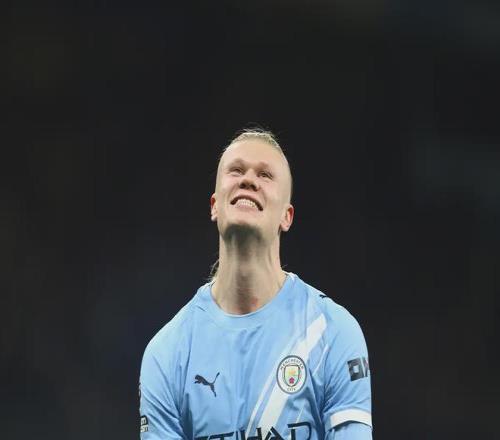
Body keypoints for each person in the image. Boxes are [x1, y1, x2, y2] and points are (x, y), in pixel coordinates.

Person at [139, 129, 372, 439]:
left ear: (287, 216)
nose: (248, 180)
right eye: (236, 170)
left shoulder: (332, 332)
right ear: (214, 205)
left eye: (265, 175)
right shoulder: (168, 353)